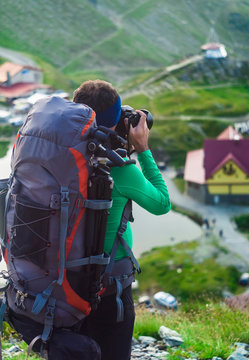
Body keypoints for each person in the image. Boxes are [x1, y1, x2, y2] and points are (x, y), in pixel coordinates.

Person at [73, 80, 171, 360]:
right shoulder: (120, 171)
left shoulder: (61, 157)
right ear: (115, 120)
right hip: (107, 284)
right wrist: (142, 148)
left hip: (62, 278)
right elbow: (162, 203)